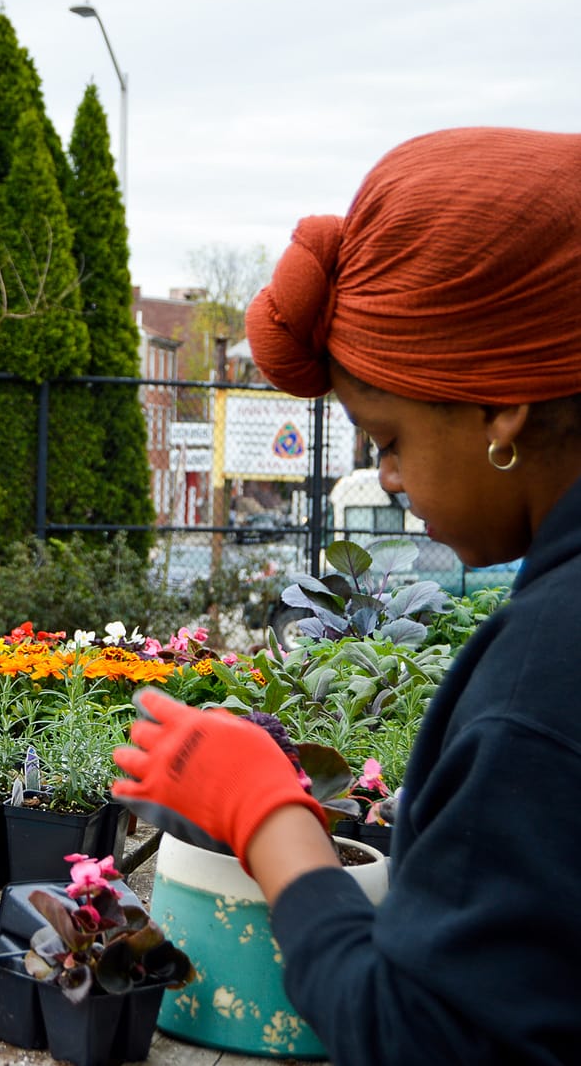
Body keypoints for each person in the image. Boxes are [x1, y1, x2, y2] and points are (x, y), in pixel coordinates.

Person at [112, 127, 581, 1065]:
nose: (390, 479)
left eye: (387, 437)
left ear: (499, 407)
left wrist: (269, 818)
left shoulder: (545, 677)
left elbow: (415, 1031)